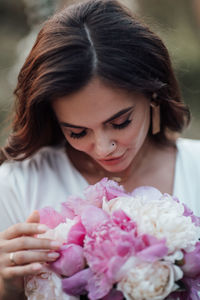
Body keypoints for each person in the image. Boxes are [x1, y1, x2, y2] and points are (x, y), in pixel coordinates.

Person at [0, 0, 199, 298]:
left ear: (153, 94)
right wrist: (7, 285)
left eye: (120, 122)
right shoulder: (19, 184)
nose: (105, 148)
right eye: (77, 132)